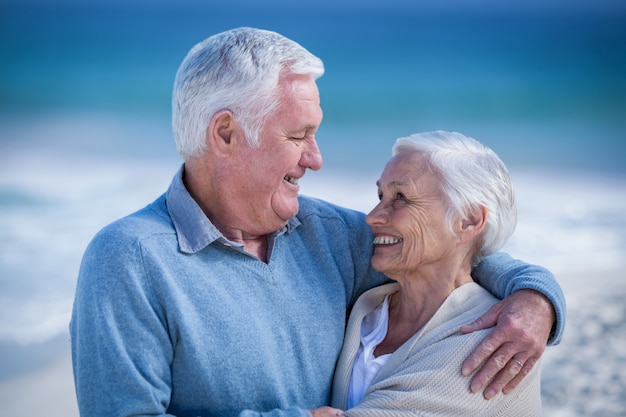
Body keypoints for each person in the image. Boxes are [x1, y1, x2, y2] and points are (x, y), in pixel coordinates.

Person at [70, 27, 565, 417]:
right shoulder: (129, 258)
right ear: (225, 133)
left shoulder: (329, 233)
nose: (316, 158)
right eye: (299, 134)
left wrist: (536, 298)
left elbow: (451, 250)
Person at [327, 131, 542, 416]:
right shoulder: (366, 308)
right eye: (381, 195)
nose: (373, 216)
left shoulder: (496, 337)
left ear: (468, 220)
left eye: (401, 197)